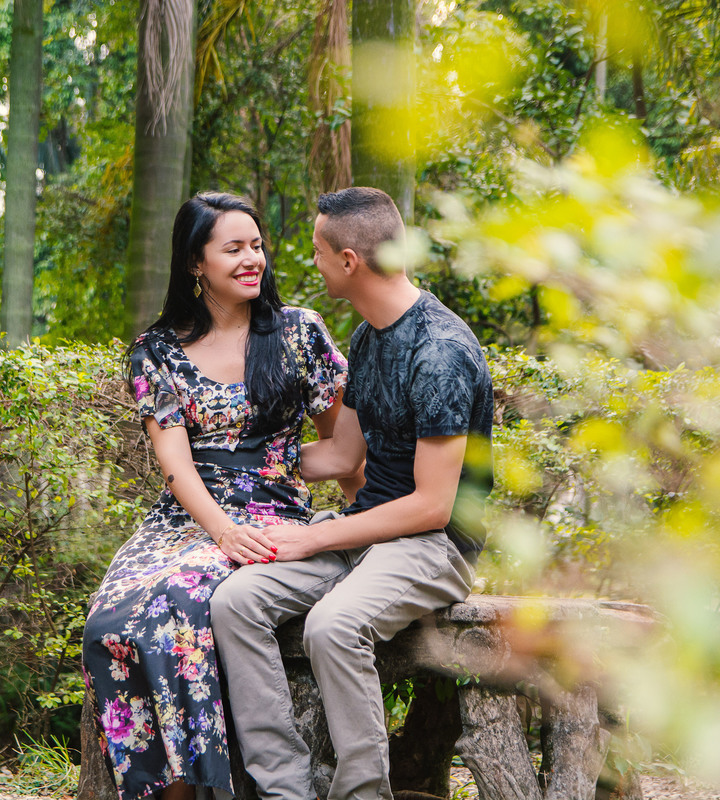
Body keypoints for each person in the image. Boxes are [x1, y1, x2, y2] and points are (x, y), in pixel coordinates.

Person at [210, 187, 495, 800]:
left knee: (333, 627)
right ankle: (285, 789)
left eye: (317, 250)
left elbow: (433, 507)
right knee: (235, 603)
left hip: (435, 545)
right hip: (366, 529)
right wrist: (227, 464)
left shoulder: (440, 352)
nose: (310, 261)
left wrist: (313, 537)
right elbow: (343, 455)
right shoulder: (368, 337)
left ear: (349, 260)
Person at [82, 192, 349, 800]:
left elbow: (341, 447)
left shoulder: (299, 332)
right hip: (187, 519)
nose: (252, 259)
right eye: (233, 249)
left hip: (271, 511)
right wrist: (221, 531)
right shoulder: (155, 350)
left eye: (256, 246)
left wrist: (364, 532)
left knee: (176, 603)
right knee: (109, 622)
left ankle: (209, 787)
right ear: (195, 263)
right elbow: (175, 464)